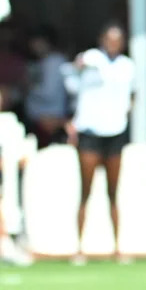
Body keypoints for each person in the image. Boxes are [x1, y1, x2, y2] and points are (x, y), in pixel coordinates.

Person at [65, 22, 135, 265]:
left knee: (113, 193)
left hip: (115, 132)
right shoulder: (92, 58)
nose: (113, 44)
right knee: (86, 191)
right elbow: (73, 74)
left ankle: (118, 248)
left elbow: (130, 96)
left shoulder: (127, 66)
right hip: (91, 132)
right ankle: (79, 248)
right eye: (109, 39)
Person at [25, 26, 70, 148]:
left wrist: (28, 87)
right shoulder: (44, 61)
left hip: (50, 120)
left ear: (45, 41)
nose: (32, 46)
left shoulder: (54, 62)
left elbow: (48, 93)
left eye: (35, 42)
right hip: (42, 119)